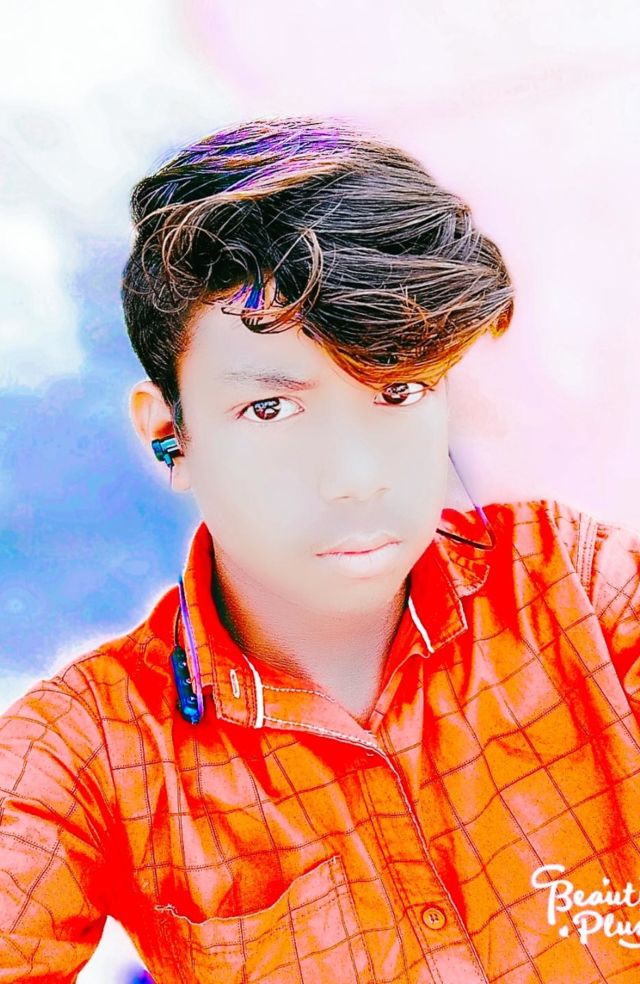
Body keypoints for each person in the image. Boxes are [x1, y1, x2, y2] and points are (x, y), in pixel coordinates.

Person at [0, 115, 639, 984]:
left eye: (399, 390)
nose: (354, 476)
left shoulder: (580, 589)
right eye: (271, 408)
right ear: (169, 437)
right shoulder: (90, 749)